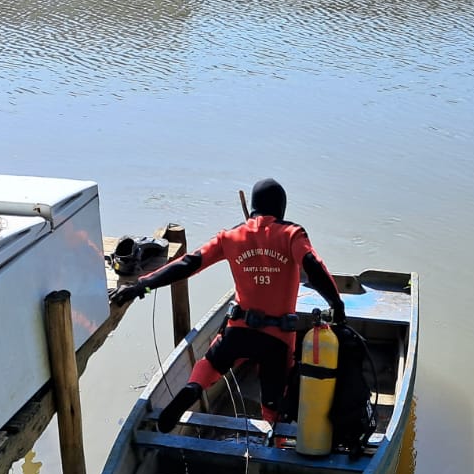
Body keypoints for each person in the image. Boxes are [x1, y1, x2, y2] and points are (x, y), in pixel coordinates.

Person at [111, 178, 346, 434]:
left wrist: (141, 286)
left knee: (211, 364)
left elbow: (188, 264)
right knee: (274, 405)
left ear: (253, 207)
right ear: (282, 208)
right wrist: (336, 303)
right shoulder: (291, 234)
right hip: (277, 340)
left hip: (239, 331)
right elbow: (313, 264)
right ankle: (273, 443)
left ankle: (192, 389)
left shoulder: (231, 236)